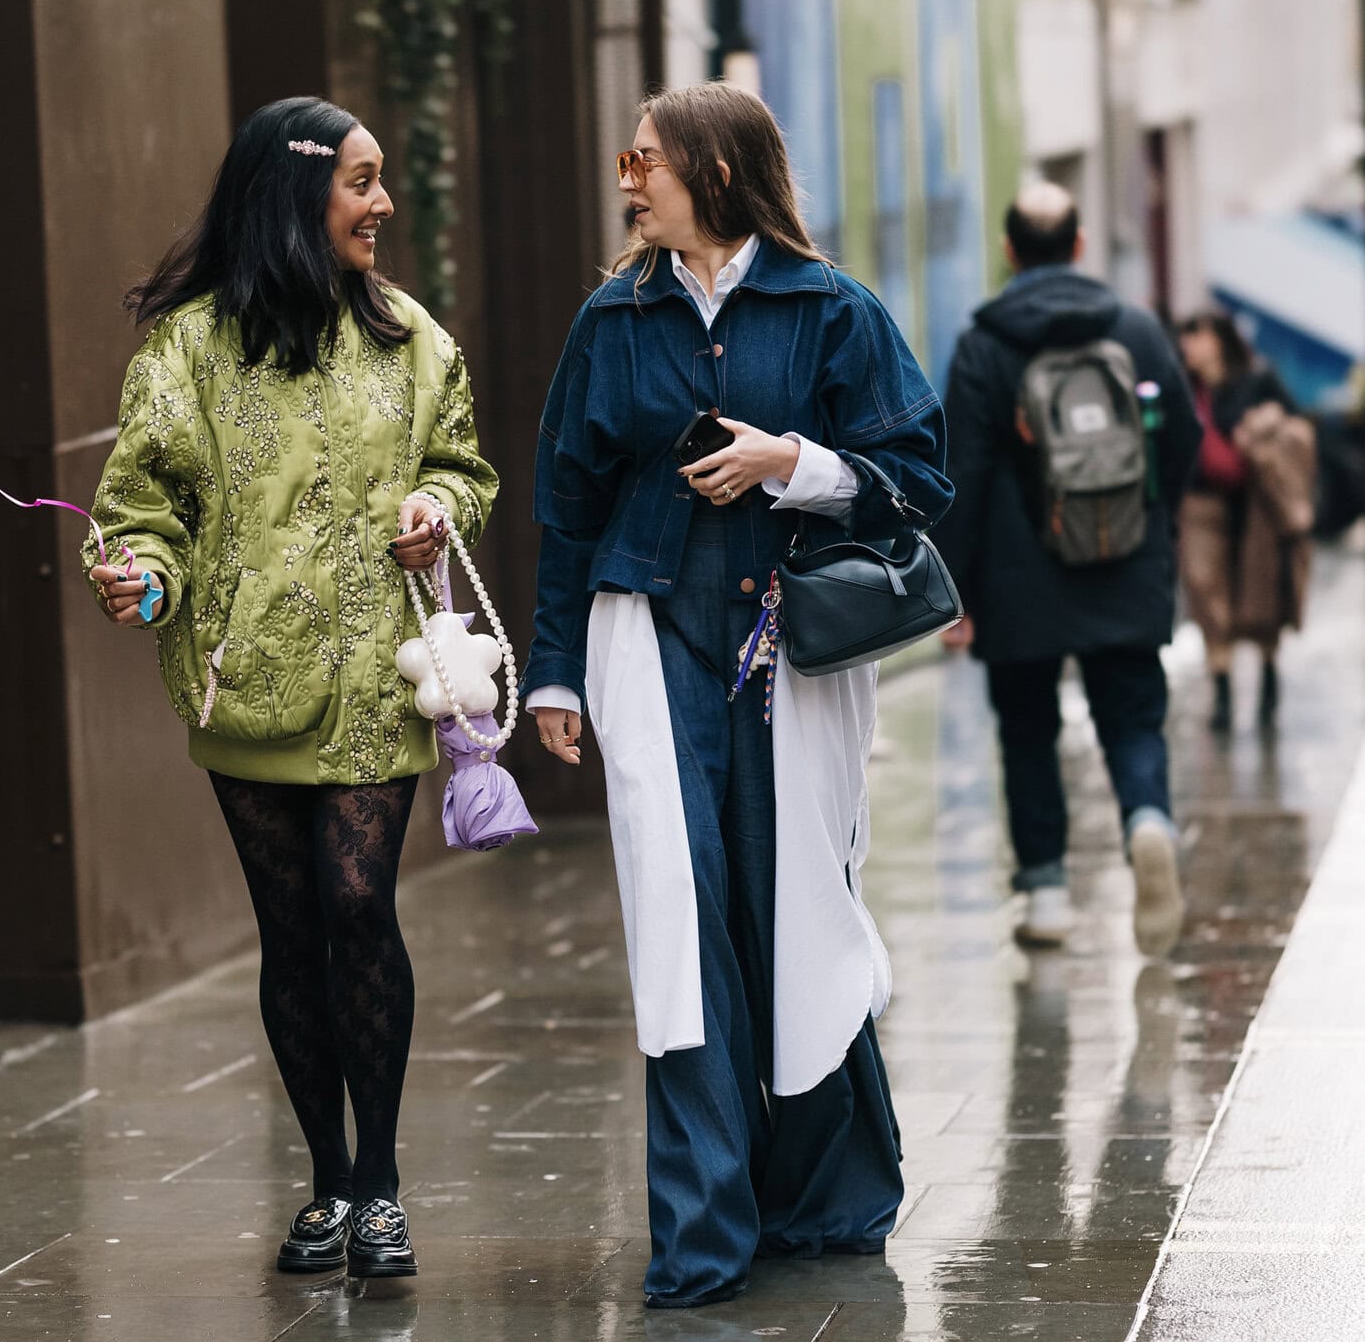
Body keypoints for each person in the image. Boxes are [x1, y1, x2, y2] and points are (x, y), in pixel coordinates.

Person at [522, 81, 948, 1307]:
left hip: (796, 648)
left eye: (642, 159)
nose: (626, 180)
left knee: (800, 905)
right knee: (679, 915)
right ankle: (702, 1233)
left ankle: (829, 1198)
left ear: (714, 170)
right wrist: (552, 664)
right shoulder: (613, 318)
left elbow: (919, 479)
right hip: (645, 634)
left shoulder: (832, 309)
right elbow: (569, 507)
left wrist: (793, 463)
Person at [84, 96, 498, 1281]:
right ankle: (324, 1176)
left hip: (379, 676)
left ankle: (381, 1186)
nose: (382, 204)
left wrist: (437, 510)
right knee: (292, 931)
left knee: (360, 903)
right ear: (296, 192)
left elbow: (461, 467)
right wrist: (143, 581)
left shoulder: (411, 336)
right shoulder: (191, 349)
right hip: (242, 682)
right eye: (362, 182)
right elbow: (142, 507)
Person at [936, 184, 1198, 953]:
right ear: (1080, 244)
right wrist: (1156, 521)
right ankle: (1147, 818)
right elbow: (1180, 434)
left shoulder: (984, 344)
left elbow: (965, 472)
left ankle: (1047, 893)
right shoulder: (1137, 329)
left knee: (1027, 731)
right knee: (1132, 717)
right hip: (1124, 556)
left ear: (1010, 249)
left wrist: (954, 591)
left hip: (1021, 579)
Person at [1175, 308, 1314, 733]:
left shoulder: (1257, 379)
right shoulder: (1182, 386)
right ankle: (1222, 691)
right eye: (1186, 337)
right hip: (1202, 504)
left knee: (1261, 596)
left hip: (1256, 506)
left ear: (1219, 339)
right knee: (1207, 593)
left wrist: (1260, 432)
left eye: (1197, 335)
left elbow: (1297, 427)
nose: (1189, 346)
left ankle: (1269, 677)